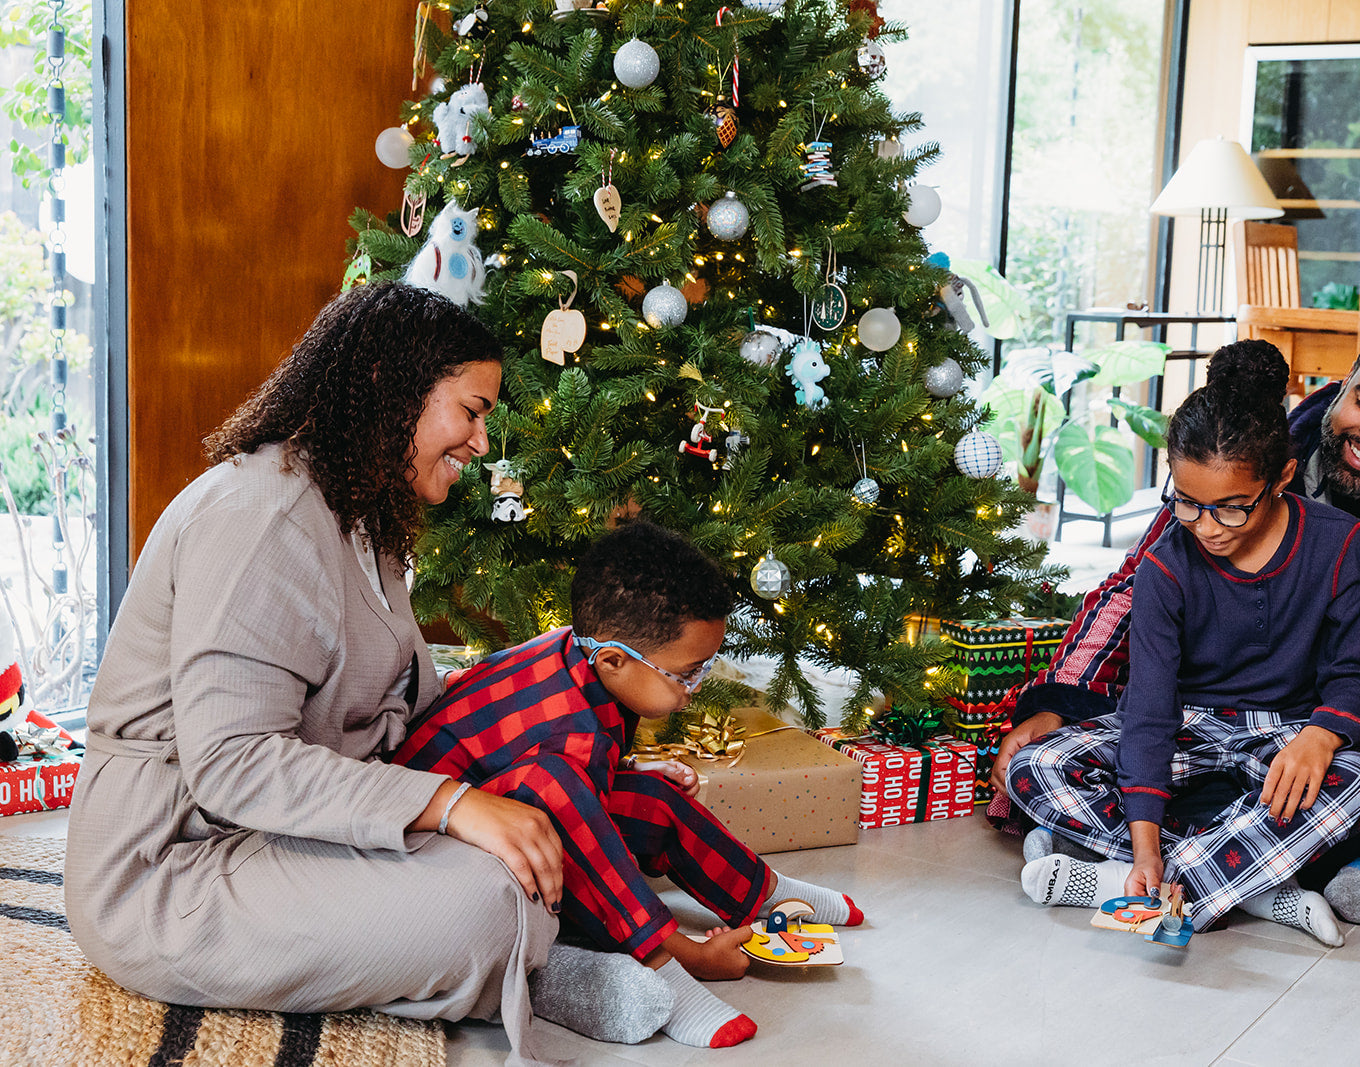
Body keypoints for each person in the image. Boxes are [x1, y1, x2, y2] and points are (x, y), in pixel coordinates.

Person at [64, 283, 680, 1067]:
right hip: (172, 867)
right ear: (394, 389)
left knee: (537, 825)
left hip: (277, 833)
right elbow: (230, 764)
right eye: (472, 410)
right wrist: (451, 803)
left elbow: (417, 702)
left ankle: (506, 956)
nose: (482, 441)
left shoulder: (361, 513)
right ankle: (529, 968)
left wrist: (562, 719)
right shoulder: (262, 519)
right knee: (486, 897)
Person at [995, 318, 1360, 925]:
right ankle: (1291, 872)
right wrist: (1062, 702)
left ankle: (1143, 863)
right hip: (1204, 723)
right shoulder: (1237, 455)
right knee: (1080, 754)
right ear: (1344, 382)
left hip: (1356, 733)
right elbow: (1134, 592)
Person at [397, 519, 865, 1049]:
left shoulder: (577, 657)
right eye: (687, 673)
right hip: (434, 856)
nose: (695, 689)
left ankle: (766, 893)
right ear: (615, 660)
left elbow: (542, 764)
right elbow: (557, 792)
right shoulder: (570, 732)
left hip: (499, 812)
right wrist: (690, 949)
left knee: (654, 798)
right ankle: (668, 962)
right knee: (559, 792)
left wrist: (627, 773)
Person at [1008, 340, 1360, 945]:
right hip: (1187, 724)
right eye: (1187, 503)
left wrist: (1321, 735)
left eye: (1231, 508)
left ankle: (1124, 880)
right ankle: (1250, 889)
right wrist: (1145, 844)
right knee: (1037, 767)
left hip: (1283, 735)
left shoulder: (1340, 544)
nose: (1206, 527)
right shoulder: (1165, 565)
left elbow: (1357, 675)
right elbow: (1152, 708)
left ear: (1283, 476)